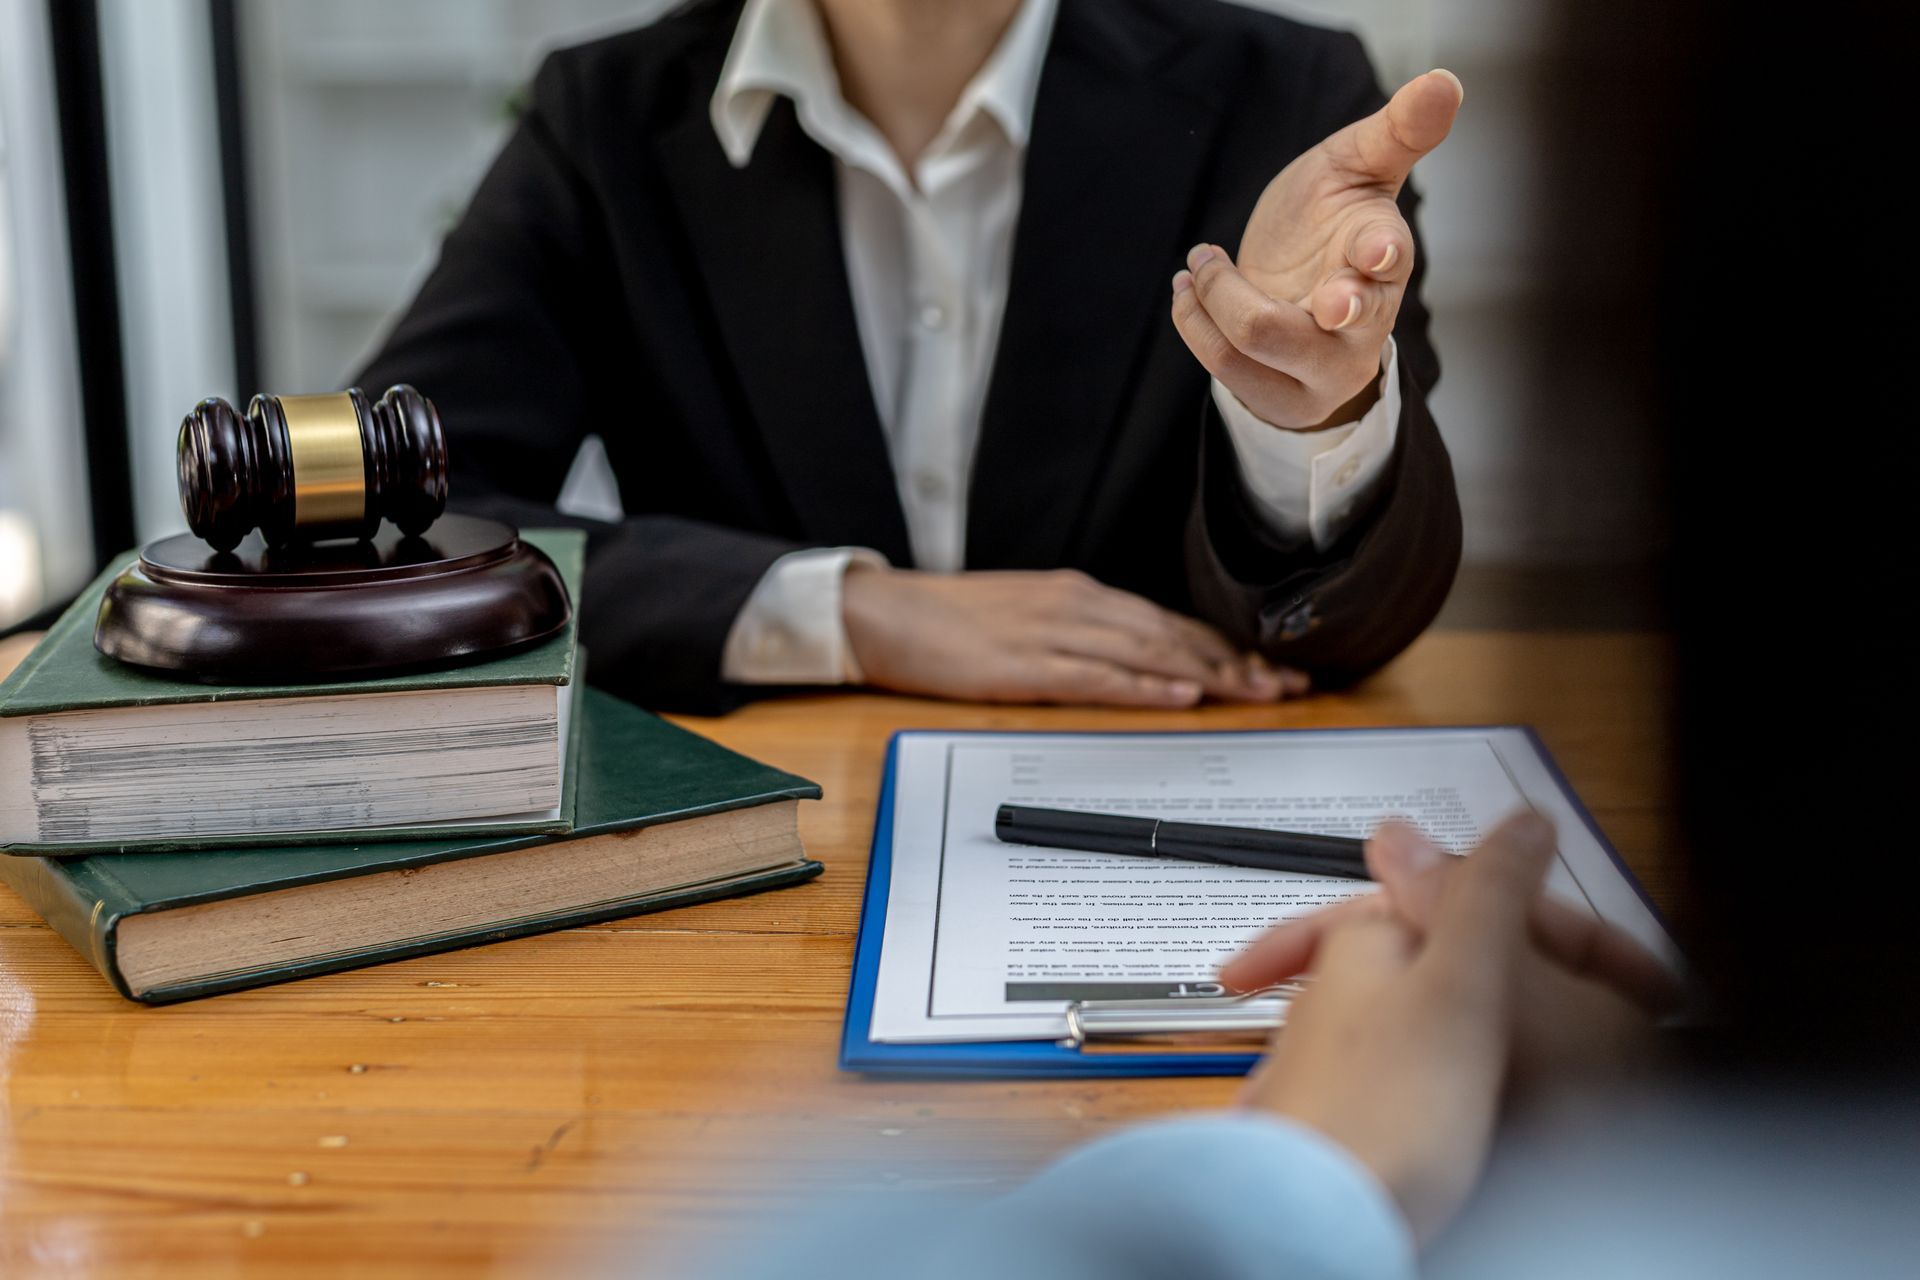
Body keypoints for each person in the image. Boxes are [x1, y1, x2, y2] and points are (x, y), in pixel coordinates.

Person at [357, 0, 1465, 713]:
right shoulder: (601, 120)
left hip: (1169, 835)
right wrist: (849, 611)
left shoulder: (1290, 97)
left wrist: (1309, 422)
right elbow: (382, 523)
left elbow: (1344, 633)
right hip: (755, 867)